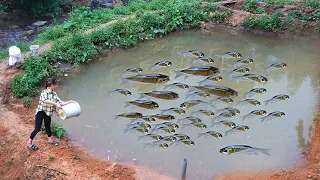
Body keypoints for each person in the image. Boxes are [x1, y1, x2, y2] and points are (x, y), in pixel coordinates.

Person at [27, 77, 73, 151]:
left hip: (48, 112)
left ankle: (50, 140)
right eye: (56, 85)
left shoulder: (54, 93)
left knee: (48, 125)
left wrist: (68, 102)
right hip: (41, 111)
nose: (56, 86)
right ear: (52, 85)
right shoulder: (44, 92)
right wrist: (55, 104)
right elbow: (45, 100)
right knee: (37, 128)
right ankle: (29, 143)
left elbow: (60, 102)